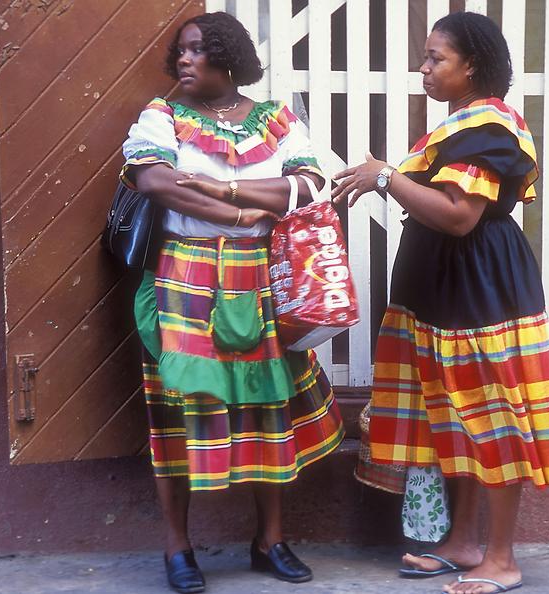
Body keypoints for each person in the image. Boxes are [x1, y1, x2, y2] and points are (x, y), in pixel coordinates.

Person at [333, 11, 549, 594]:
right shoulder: (463, 125)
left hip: (480, 291)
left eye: (436, 59)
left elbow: (458, 215)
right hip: (445, 287)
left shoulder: (488, 128)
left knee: (493, 414)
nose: (424, 69)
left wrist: (383, 177)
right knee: (452, 412)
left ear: (472, 65)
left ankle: (501, 557)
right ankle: (463, 542)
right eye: (425, 58)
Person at [119, 12, 344, 594]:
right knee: (177, 409)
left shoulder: (276, 119)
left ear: (227, 55)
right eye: (182, 52)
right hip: (182, 275)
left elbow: (310, 188)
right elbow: (156, 182)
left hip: (260, 280)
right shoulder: (161, 117)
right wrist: (246, 211)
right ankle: (178, 548)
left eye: (198, 50)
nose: (185, 61)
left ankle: (269, 539)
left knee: (268, 407)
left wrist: (219, 188)